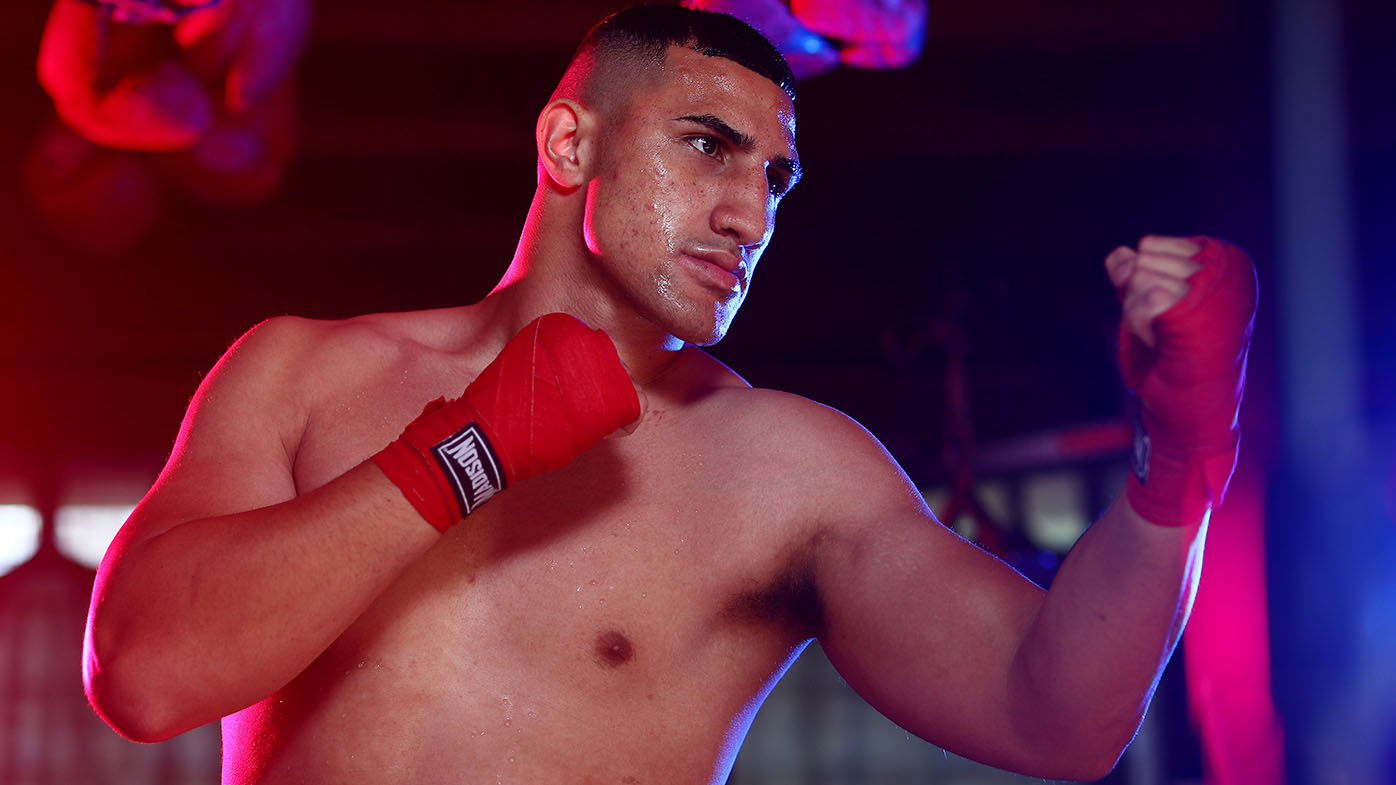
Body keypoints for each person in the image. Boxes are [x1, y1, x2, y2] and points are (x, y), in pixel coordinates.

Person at [82, 5, 1256, 783]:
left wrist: (1183, 453)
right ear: (569, 146)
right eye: (706, 145)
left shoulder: (783, 468)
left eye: (776, 178)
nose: (750, 214)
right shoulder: (301, 372)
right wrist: (460, 455)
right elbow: (140, 675)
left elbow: (1058, 715)